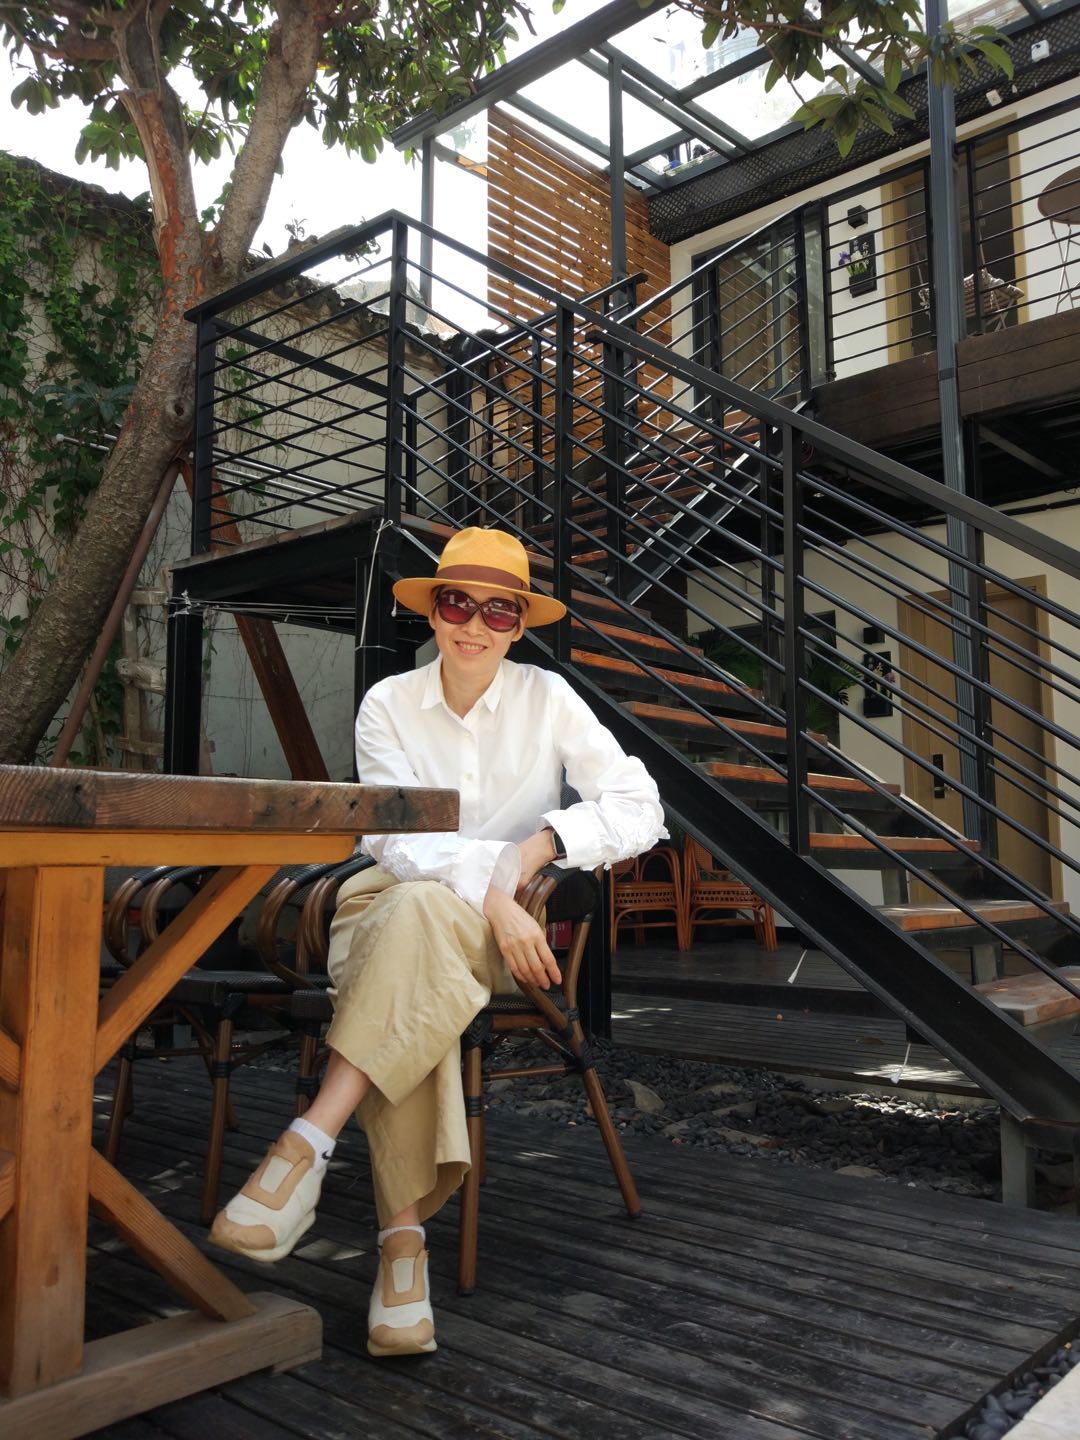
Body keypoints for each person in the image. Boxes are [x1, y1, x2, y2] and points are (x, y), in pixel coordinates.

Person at [210, 526, 664, 1356]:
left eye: (499, 611)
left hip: (499, 926)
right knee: (415, 929)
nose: (475, 625)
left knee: (415, 942)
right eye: (458, 603)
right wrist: (494, 889)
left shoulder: (548, 697)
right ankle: (399, 1248)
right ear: (433, 612)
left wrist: (536, 850)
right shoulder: (388, 704)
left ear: (518, 626)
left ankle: (313, 1146)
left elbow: (641, 808)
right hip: (393, 905)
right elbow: (396, 841)